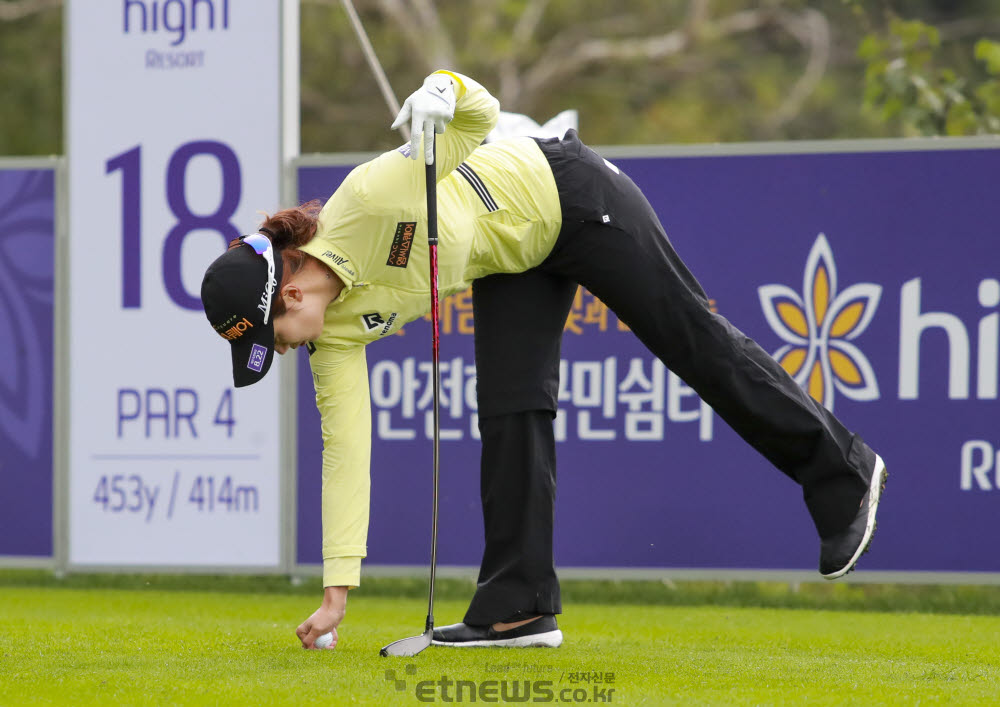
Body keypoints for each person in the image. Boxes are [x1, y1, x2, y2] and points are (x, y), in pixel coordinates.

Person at [200, 70, 887, 651]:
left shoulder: (374, 195)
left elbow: (481, 117)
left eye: (273, 336)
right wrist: (336, 589)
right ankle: (518, 603)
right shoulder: (335, 334)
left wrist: (441, 89)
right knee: (509, 408)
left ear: (289, 292)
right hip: (512, 256)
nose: (281, 350)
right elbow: (345, 449)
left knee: (692, 340)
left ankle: (843, 470)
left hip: (574, 196)